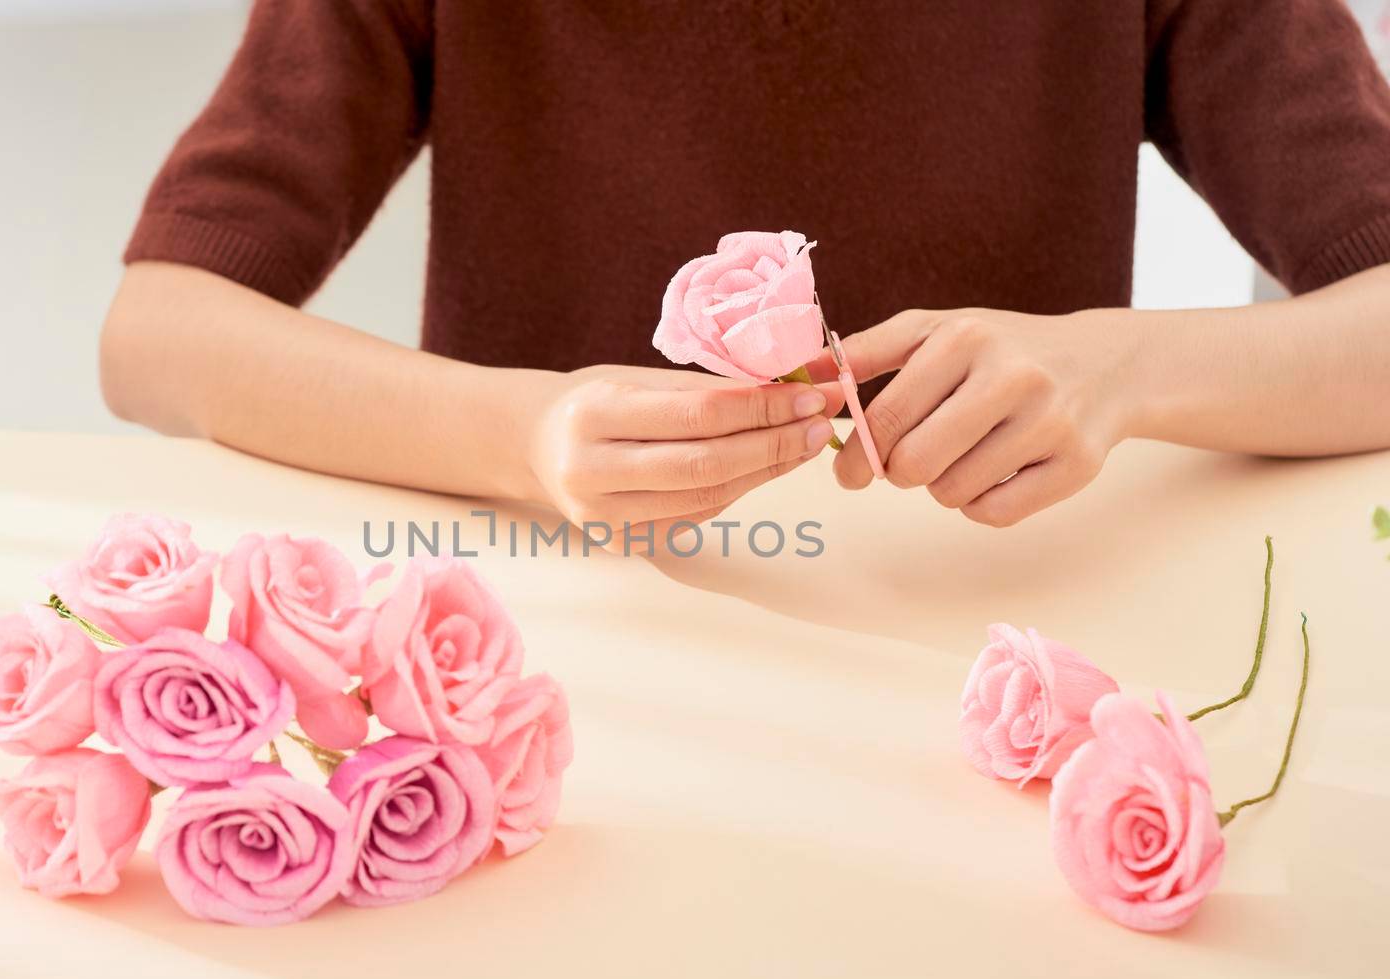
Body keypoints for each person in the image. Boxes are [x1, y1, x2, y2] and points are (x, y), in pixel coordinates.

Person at [102, 0, 1390, 534]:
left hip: (1006, 652)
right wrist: (521, 433)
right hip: (554, 644)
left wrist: (1130, 369)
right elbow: (157, 336)